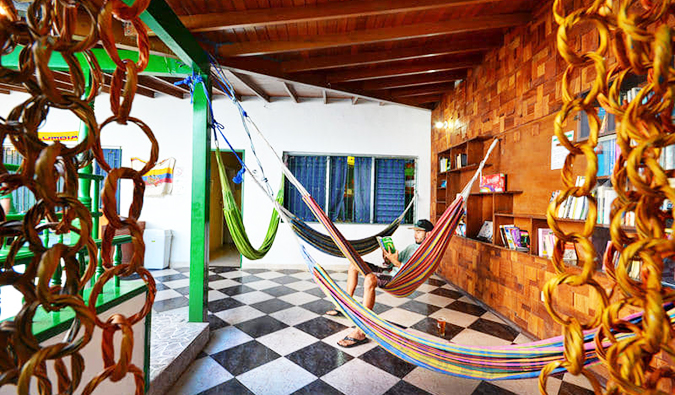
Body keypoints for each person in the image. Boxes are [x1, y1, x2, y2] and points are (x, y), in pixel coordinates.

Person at [327, 219, 434, 348]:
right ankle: (343, 306)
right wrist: (388, 258)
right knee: (354, 265)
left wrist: (395, 262)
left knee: (370, 279)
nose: (415, 234)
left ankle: (360, 331)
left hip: (397, 279)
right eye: (415, 231)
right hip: (388, 271)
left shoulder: (428, 253)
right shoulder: (412, 247)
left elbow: (413, 273)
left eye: (419, 232)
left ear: (428, 234)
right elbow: (393, 263)